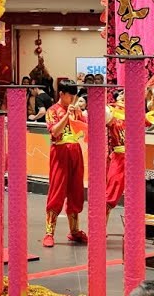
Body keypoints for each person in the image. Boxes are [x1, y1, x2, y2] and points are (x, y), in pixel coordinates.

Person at [44, 80, 87, 247]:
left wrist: (80, 114)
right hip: (60, 151)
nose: (72, 98)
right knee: (57, 190)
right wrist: (67, 116)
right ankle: (49, 232)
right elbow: (54, 131)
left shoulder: (74, 110)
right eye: (70, 95)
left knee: (76, 191)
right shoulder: (52, 111)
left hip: (75, 150)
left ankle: (74, 230)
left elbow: (85, 128)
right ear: (61, 94)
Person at [104, 90, 126, 212]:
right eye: (121, 94)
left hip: (135, 158)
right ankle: (100, 229)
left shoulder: (133, 112)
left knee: (136, 196)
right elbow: (106, 118)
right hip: (119, 158)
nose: (123, 96)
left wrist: (152, 104)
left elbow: (148, 121)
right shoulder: (111, 111)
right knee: (110, 195)